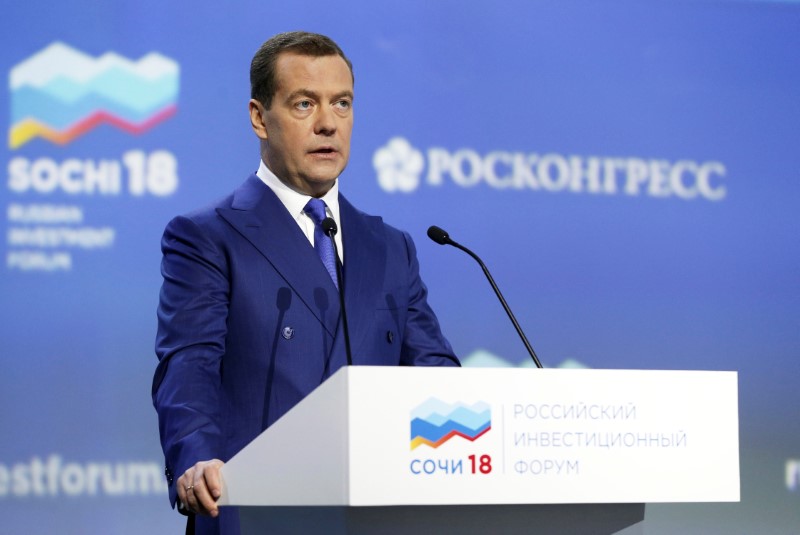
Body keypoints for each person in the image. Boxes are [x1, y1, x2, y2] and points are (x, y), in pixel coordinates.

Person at [152, 31, 459, 535]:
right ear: (259, 118)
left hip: (379, 515)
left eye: (341, 103)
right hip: (258, 514)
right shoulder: (208, 237)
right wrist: (196, 457)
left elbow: (435, 376)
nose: (327, 123)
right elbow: (188, 365)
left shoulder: (390, 247)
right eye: (303, 104)